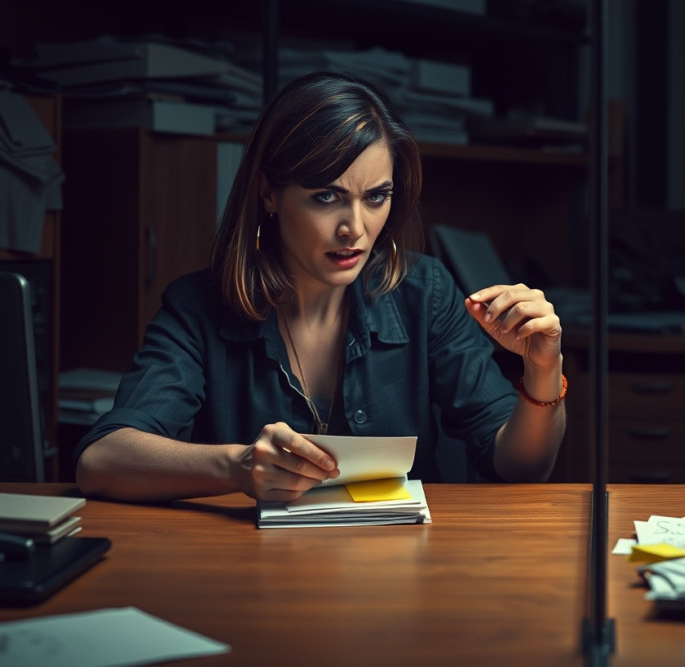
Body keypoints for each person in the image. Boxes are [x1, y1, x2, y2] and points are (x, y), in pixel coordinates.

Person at [75, 72, 567, 502]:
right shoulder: (197, 307)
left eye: (376, 197)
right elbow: (101, 459)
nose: (354, 227)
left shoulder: (425, 290)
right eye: (326, 196)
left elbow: (521, 466)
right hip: (252, 576)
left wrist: (543, 368)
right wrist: (237, 466)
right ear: (269, 192)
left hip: (401, 573)